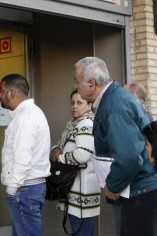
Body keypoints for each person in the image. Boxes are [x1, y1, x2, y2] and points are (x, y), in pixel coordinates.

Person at [74, 57, 157, 236]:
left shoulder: (114, 105)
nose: (75, 86)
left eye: (77, 81)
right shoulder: (113, 100)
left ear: (91, 83)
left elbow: (129, 157)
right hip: (138, 188)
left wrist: (112, 186)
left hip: (139, 189)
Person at [0, 74, 51, 236]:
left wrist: (12, 189)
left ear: (11, 93)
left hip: (24, 189)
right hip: (29, 188)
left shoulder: (25, 117)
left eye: (1, 91)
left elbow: (22, 158)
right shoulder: (32, 113)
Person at [49, 90, 100, 235]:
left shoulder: (86, 124)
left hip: (81, 194)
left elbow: (82, 155)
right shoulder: (73, 124)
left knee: (81, 231)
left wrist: (59, 157)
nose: (74, 106)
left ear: (89, 105)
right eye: (72, 103)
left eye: (79, 103)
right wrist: (55, 150)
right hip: (74, 190)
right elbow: (60, 146)